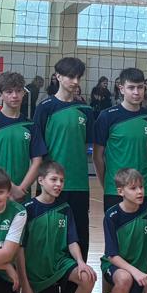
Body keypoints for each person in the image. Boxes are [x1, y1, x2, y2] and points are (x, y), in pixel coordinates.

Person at [90, 68, 147, 293]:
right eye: (131, 87)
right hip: (114, 191)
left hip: (144, 191)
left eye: (140, 88)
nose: (136, 92)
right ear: (121, 88)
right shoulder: (107, 116)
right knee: (112, 248)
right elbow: (98, 154)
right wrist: (106, 182)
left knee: (140, 243)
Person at [16, 161, 96, 293]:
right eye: (54, 179)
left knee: (87, 276)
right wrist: (24, 284)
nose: (58, 184)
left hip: (60, 265)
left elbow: (72, 241)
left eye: (61, 180)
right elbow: (19, 249)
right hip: (36, 272)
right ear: (41, 180)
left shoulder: (65, 208)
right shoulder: (27, 209)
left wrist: (80, 262)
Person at [30, 56, 94, 260]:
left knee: (79, 235)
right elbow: (36, 147)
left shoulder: (85, 110)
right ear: (58, 76)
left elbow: (89, 144)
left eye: (78, 77)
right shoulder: (45, 107)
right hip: (50, 184)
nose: (75, 82)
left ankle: (78, 274)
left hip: (79, 184)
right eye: (70, 77)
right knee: (47, 234)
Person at [0, 71, 36, 200]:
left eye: (18, 91)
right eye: (9, 92)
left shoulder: (31, 125)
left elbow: (37, 162)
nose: (14, 95)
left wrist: (21, 189)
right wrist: (11, 187)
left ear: (23, 93)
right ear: (0, 95)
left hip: (22, 194)